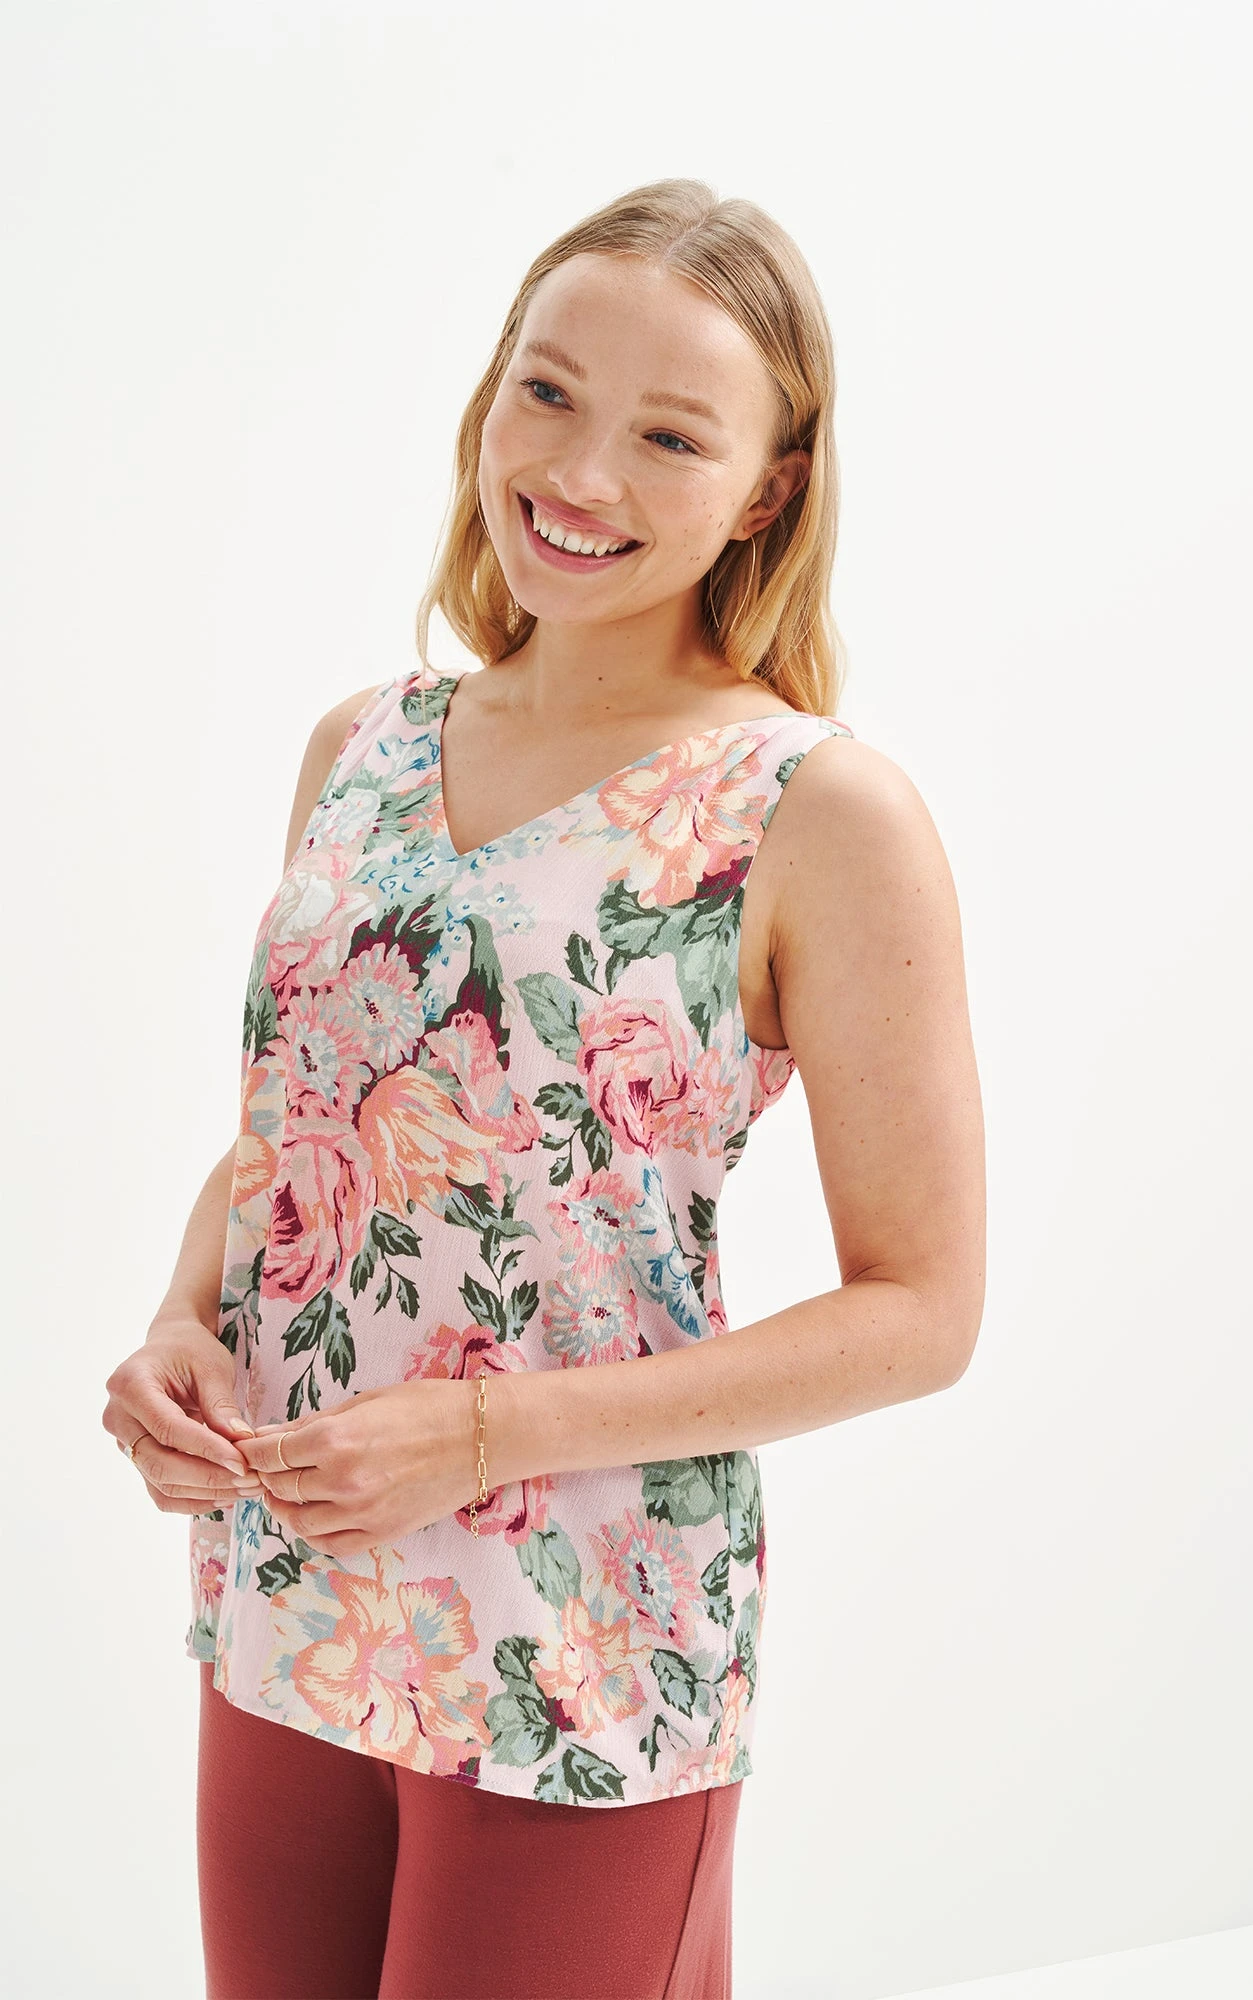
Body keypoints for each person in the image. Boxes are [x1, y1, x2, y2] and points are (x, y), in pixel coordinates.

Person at [101, 177, 986, 2000]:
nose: (579, 475)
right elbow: (296, 1136)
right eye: (550, 392)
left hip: (583, 1642)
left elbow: (921, 1312)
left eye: (670, 435)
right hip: (288, 1593)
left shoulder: (816, 812)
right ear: (490, 391)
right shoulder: (362, 748)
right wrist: (185, 1321)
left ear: (768, 491)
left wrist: (486, 1434)